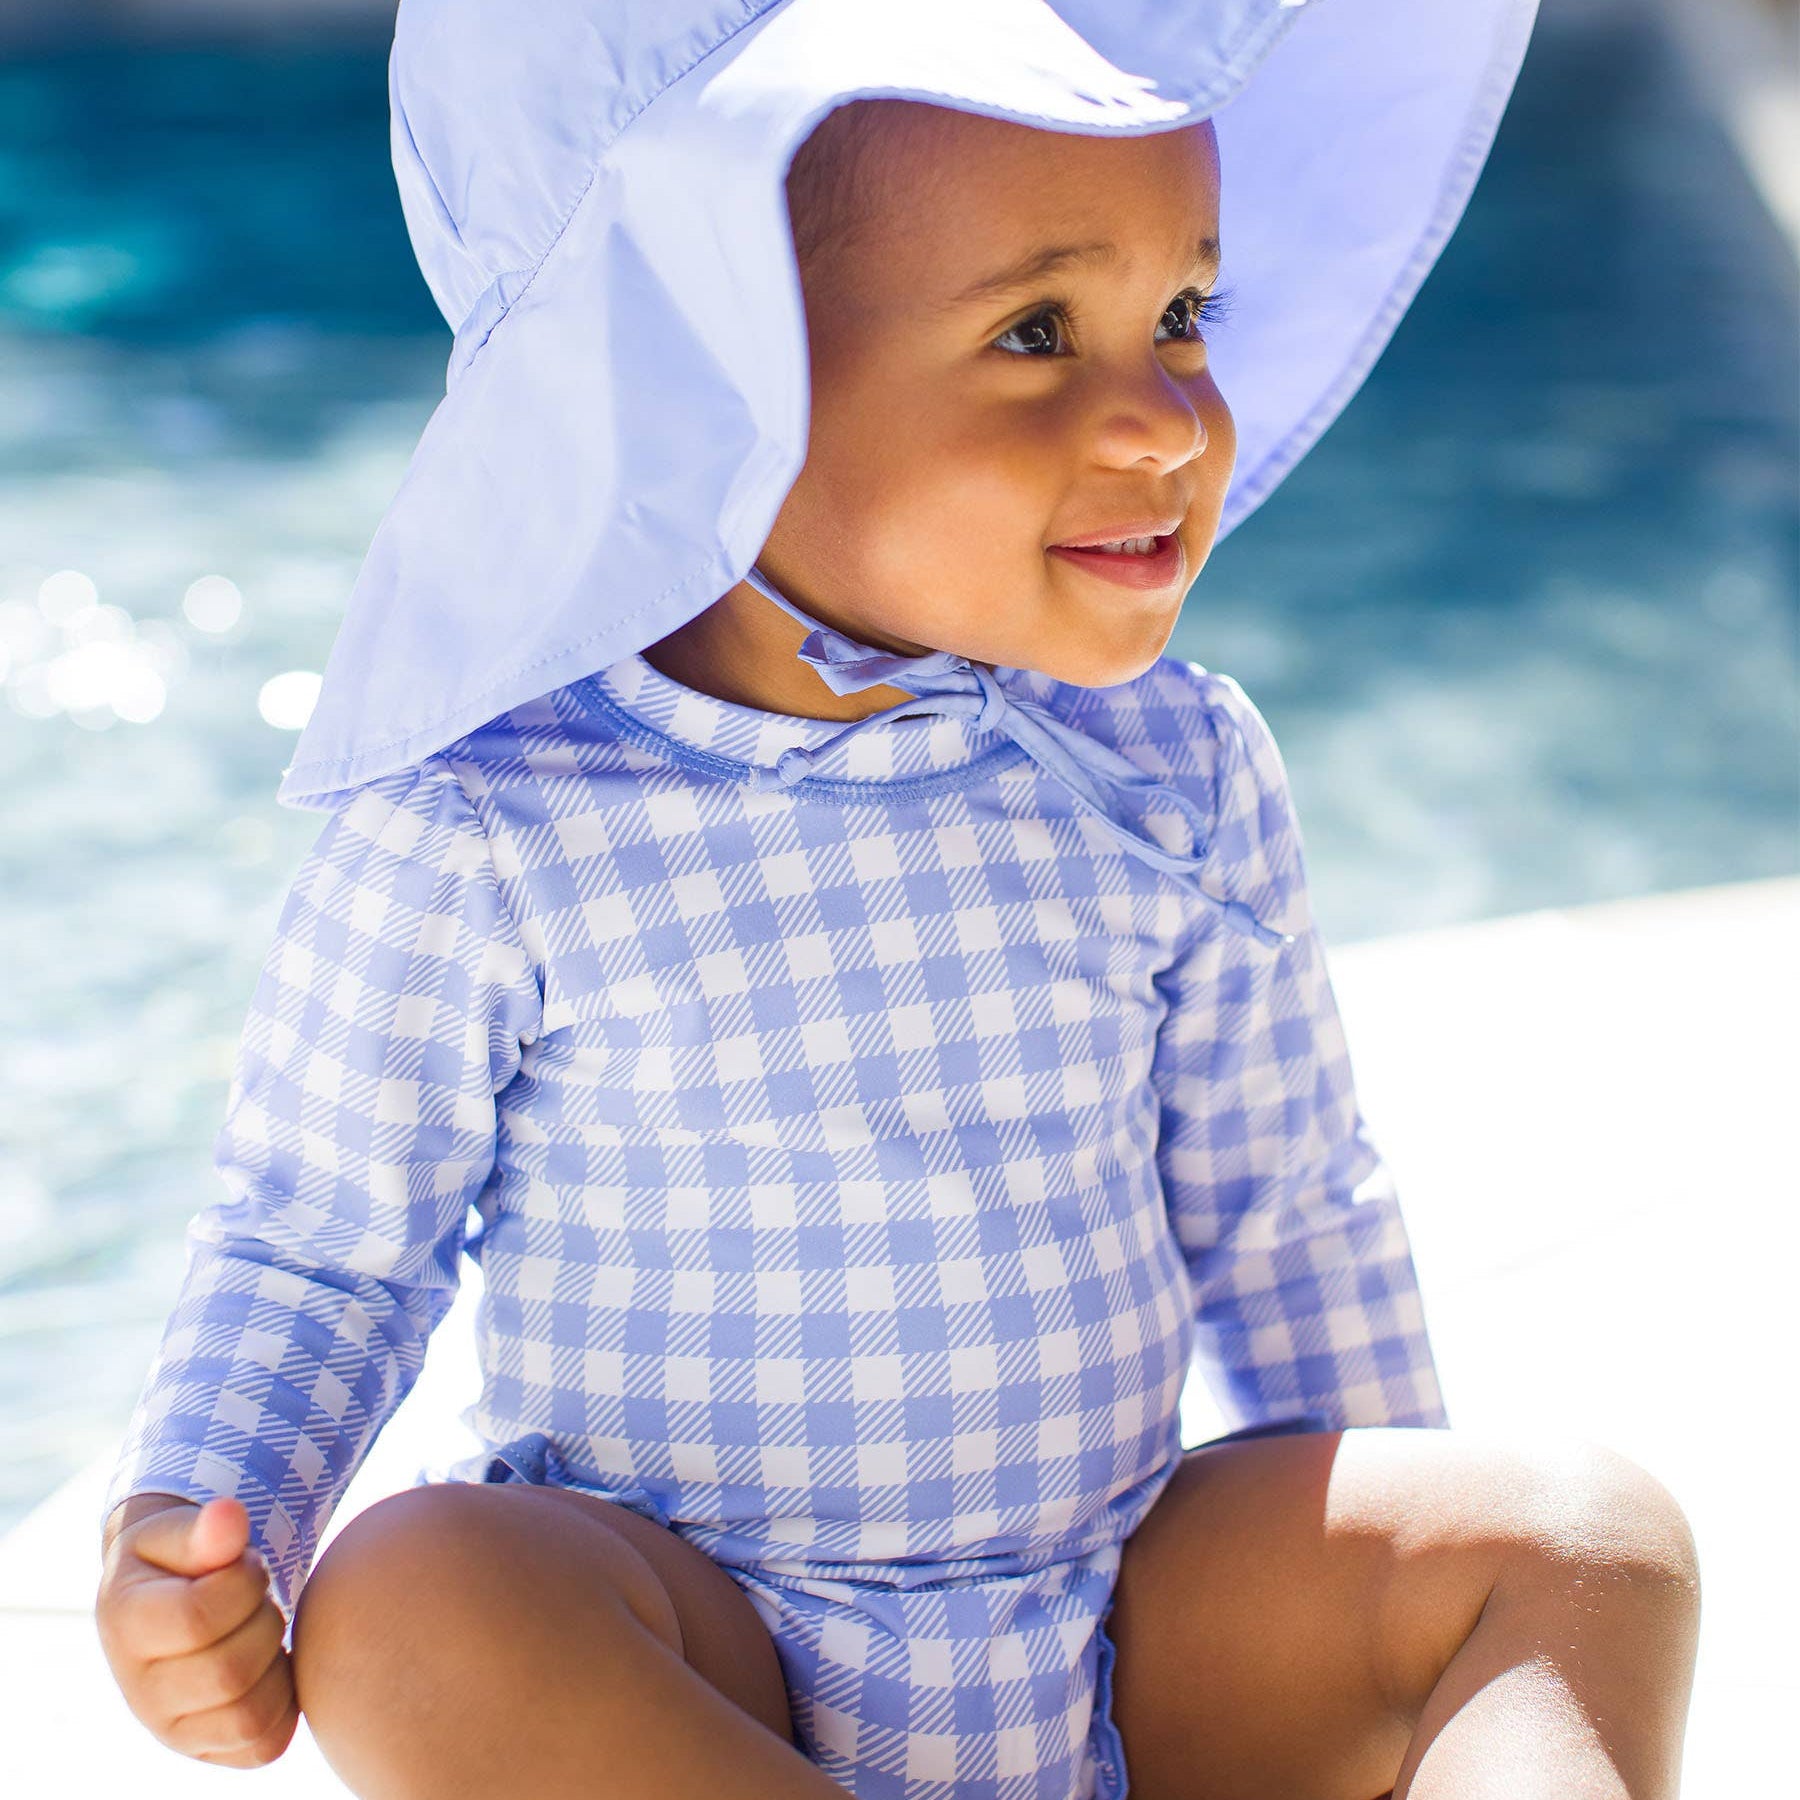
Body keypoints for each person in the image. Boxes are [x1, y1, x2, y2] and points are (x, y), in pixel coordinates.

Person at [92, 3, 1699, 1796]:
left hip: (1117, 1623)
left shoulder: (1172, 766)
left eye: (1184, 314)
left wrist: (1389, 1577)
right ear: (717, 386)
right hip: (701, 1666)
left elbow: (1286, 1206)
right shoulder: (492, 821)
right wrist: (204, 1523)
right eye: (1037, 334)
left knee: (1584, 1540)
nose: (1167, 418)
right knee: (411, 1596)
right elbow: (319, 1240)